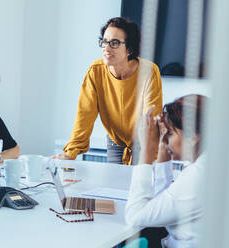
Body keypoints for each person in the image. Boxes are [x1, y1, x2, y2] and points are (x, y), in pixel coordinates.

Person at [53, 17, 163, 164]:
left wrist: (150, 153)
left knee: (139, 184)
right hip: (115, 139)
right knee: (114, 184)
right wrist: (71, 153)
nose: (107, 48)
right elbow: (84, 116)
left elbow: (151, 118)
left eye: (115, 43)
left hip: (143, 141)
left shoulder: (149, 71)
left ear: (129, 49)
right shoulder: (96, 71)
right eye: (104, 42)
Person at [125, 94, 208, 247]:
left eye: (169, 133)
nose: (165, 138)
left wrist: (146, 153)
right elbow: (161, 205)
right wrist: (163, 149)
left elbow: (135, 216)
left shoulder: (199, 176)